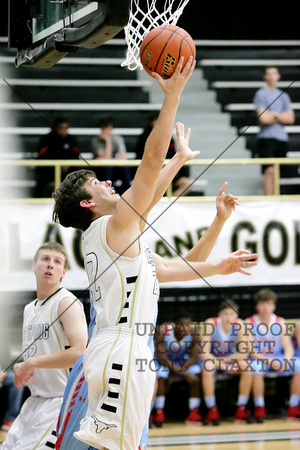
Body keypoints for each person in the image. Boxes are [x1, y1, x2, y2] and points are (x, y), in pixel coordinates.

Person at [52, 56, 258, 450]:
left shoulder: (122, 237)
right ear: (86, 204)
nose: (109, 181)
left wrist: (220, 249)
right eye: (97, 182)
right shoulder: (113, 227)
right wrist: (172, 98)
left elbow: (174, 267)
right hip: (121, 350)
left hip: (122, 350)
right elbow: (147, 171)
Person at [0, 242, 88, 450]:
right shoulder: (29, 309)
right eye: (45, 259)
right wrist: (22, 366)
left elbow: (80, 353)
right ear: (34, 266)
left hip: (61, 401)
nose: (50, 265)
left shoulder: (67, 303)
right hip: (34, 401)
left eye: (57, 262)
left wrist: (31, 362)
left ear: (64, 272)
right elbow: (39, 353)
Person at [246, 288, 300, 423]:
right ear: (257, 305)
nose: (265, 307)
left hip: (278, 357)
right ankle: (259, 407)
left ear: (273, 306)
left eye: (268, 303)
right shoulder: (249, 322)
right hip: (259, 358)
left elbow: (288, 347)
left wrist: (286, 360)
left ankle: (293, 407)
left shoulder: (280, 322)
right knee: (256, 368)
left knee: (298, 365)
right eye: (262, 303)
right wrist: (270, 362)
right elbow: (251, 351)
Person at [200, 299, 253, 425]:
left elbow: (243, 353)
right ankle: (212, 409)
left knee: (246, 366)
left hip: (229, 359)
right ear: (220, 314)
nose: (229, 317)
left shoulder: (239, 325)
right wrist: (222, 365)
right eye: (226, 314)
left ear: (237, 315)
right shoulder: (210, 324)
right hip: (212, 359)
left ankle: (241, 408)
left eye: (232, 314)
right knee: (207, 368)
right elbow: (204, 354)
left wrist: (226, 362)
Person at [153, 310, 202, 427]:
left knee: (195, 374)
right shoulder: (162, 331)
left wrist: (180, 372)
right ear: (175, 324)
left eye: (187, 325)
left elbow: (194, 358)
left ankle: (194, 412)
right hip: (164, 363)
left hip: (183, 364)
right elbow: (162, 358)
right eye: (182, 325)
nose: (185, 328)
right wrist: (182, 373)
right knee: (161, 375)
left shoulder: (194, 332)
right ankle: (158, 413)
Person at [253, 66, 295, 195]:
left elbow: (291, 118)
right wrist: (280, 116)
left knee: (277, 172)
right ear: (265, 77)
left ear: (278, 76)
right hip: (266, 138)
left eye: (274, 73)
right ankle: (269, 200)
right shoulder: (261, 94)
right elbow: (264, 118)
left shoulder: (284, 96)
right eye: (269, 74)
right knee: (269, 171)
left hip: (281, 138)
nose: (271, 76)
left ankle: (275, 199)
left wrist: (273, 115)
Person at [134, 110, 195, 196]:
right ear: (151, 122)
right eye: (157, 121)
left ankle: (170, 202)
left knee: (187, 183)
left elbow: (174, 155)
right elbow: (142, 156)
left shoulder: (169, 137)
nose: (160, 123)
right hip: (150, 175)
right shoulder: (144, 137)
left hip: (169, 174)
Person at [35, 117, 81, 197]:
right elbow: (41, 155)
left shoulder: (71, 139)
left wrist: (68, 164)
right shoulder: (47, 139)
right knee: (41, 172)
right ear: (55, 128)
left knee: (79, 172)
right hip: (50, 169)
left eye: (66, 128)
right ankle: (39, 198)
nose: (63, 131)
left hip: (67, 170)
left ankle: (76, 198)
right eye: (61, 128)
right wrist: (55, 165)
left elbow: (77, 155)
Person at [90, 117, 132, 194]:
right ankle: (108, 192)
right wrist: (108, 141)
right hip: (100, 169)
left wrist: (110, 160)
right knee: (108, 167)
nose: (106, 131)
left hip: (115, 167)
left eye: (108, 128)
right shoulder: (95, 140)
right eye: (104, 128)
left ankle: (128, 191)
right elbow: (106, 158)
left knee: (124, 167)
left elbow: (123, 157)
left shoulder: (118, 139)